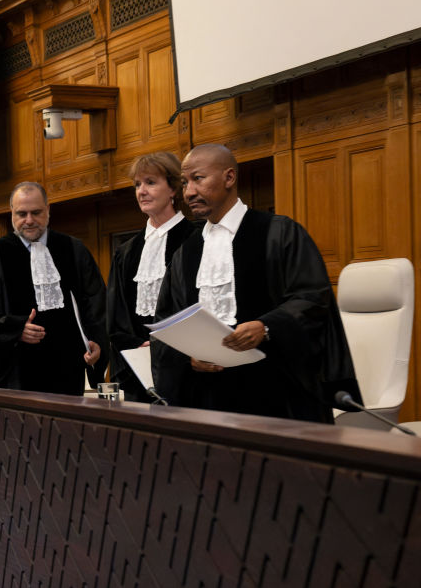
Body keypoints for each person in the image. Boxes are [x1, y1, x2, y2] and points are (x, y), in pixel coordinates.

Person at [151, 144, 360, 423]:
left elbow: (312, 298)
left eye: (198, 179)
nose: (188, 192)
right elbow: (168, 319)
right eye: (185, 182)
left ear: (229, 178)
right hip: (208, 400)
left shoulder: (279, 233)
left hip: (277, 396)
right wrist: (188, 358)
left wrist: (267, 326)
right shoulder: (186, 252)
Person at [0, 182, 108, 394]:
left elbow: (96, 305)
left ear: (48, 210)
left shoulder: (73, 250)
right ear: (11, 213)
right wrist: (15, 330)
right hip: (17, 376)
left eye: (36, 212)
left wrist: (95, 342)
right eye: (22, 213)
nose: (29, 220)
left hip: (67, 371)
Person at [107, 152, 198, 402]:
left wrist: (162, 348)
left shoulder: (195, 240)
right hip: (137, 369)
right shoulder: (126, 252)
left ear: (173, 189)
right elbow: (117, 315)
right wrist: (138, 347)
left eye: (150, 182)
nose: (141, 191)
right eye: (137, 184)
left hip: (186, 368)